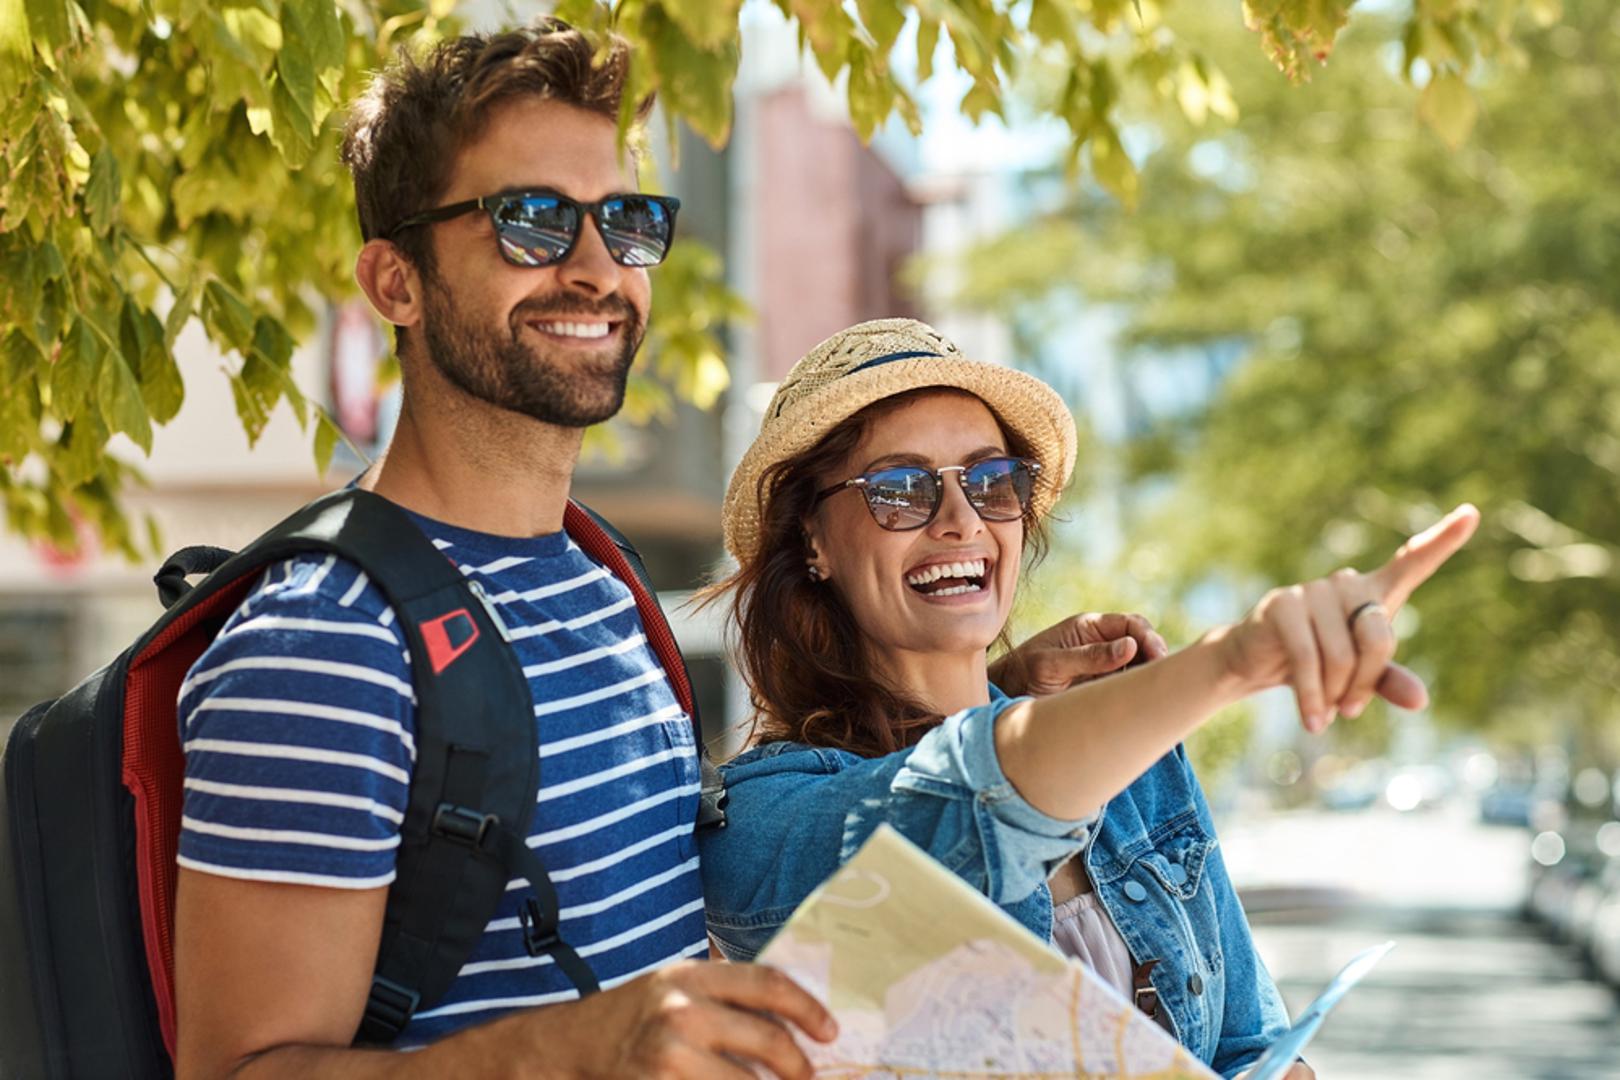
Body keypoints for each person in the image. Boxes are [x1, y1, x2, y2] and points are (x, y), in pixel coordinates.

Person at [169, 20, 1145, 1079]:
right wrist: (581, 1049)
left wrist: (996, 692)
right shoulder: (325, 641)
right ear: (394, 281)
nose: (596, 270)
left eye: (625, 222)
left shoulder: (598, 584)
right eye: (532, 221)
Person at [699, 318, 1479, 1079]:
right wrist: (1234, 661)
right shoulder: (763, 817)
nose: (960, 519)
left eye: (991, 481)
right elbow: (968, 807)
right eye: (899, 490)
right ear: (812, 542)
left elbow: (1251, 1040)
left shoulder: (1133, 758)